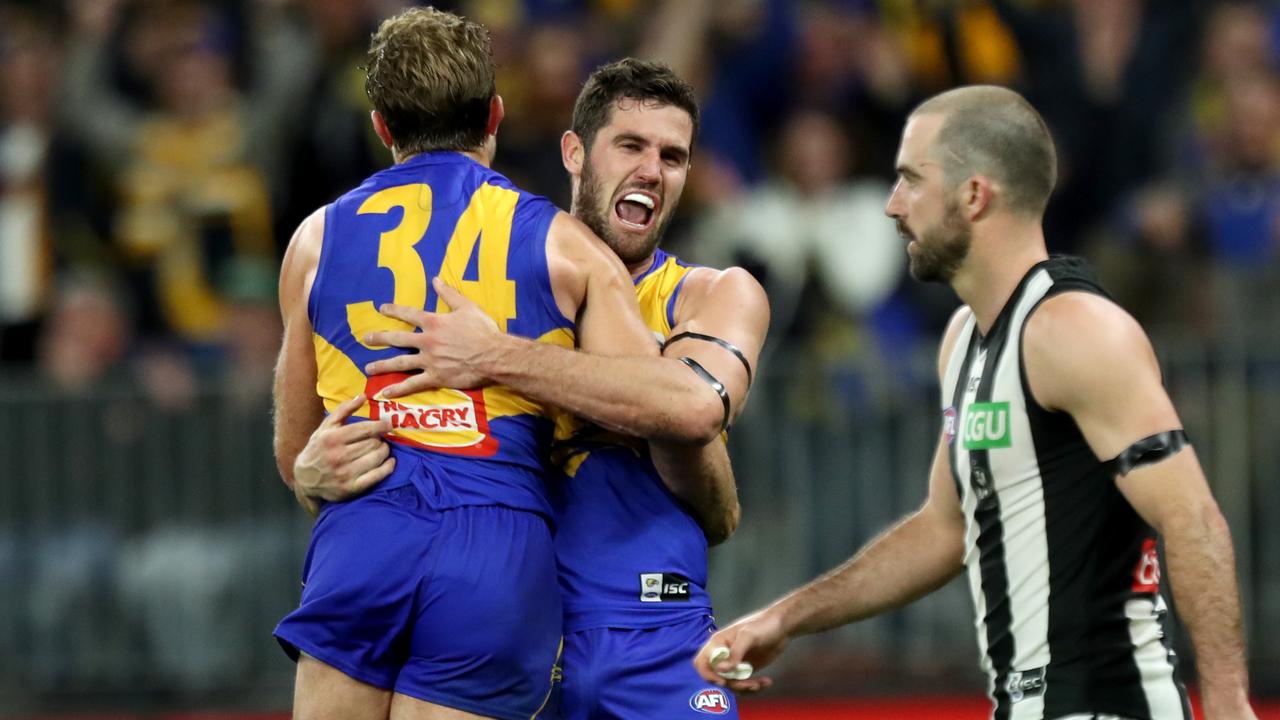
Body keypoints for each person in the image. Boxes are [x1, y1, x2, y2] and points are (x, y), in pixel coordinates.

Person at [693, 85, 1259, 720]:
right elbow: (945, 526)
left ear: (973, 195)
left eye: (910, 179)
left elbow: (1193, 519)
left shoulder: (1073, 329)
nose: (892, 204)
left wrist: (1232, 706)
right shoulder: (964, 338)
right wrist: (785, 618)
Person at [291, 58, 770, 719]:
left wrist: (500, 355)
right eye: (630, 146)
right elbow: (401, 454)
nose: (653, 171)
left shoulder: (711, 293)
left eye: (674, 156)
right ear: (574, 153)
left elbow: (692, 412)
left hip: (651, 634)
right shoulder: (486, 277)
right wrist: (311, 474)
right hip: (509, 634)